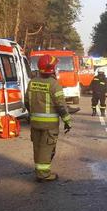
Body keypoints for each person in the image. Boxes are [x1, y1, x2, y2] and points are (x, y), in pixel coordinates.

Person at [25, 54, 72, 182]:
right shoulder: (54, 84)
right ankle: (43, 174)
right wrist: (67, 121)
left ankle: (39, 170)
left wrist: (33, 114)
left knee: (38, 147)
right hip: (49, 125)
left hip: (35, 123)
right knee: (46, 148)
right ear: (52, 68)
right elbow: (61, 106)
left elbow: (26, 102)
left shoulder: (32, 82)